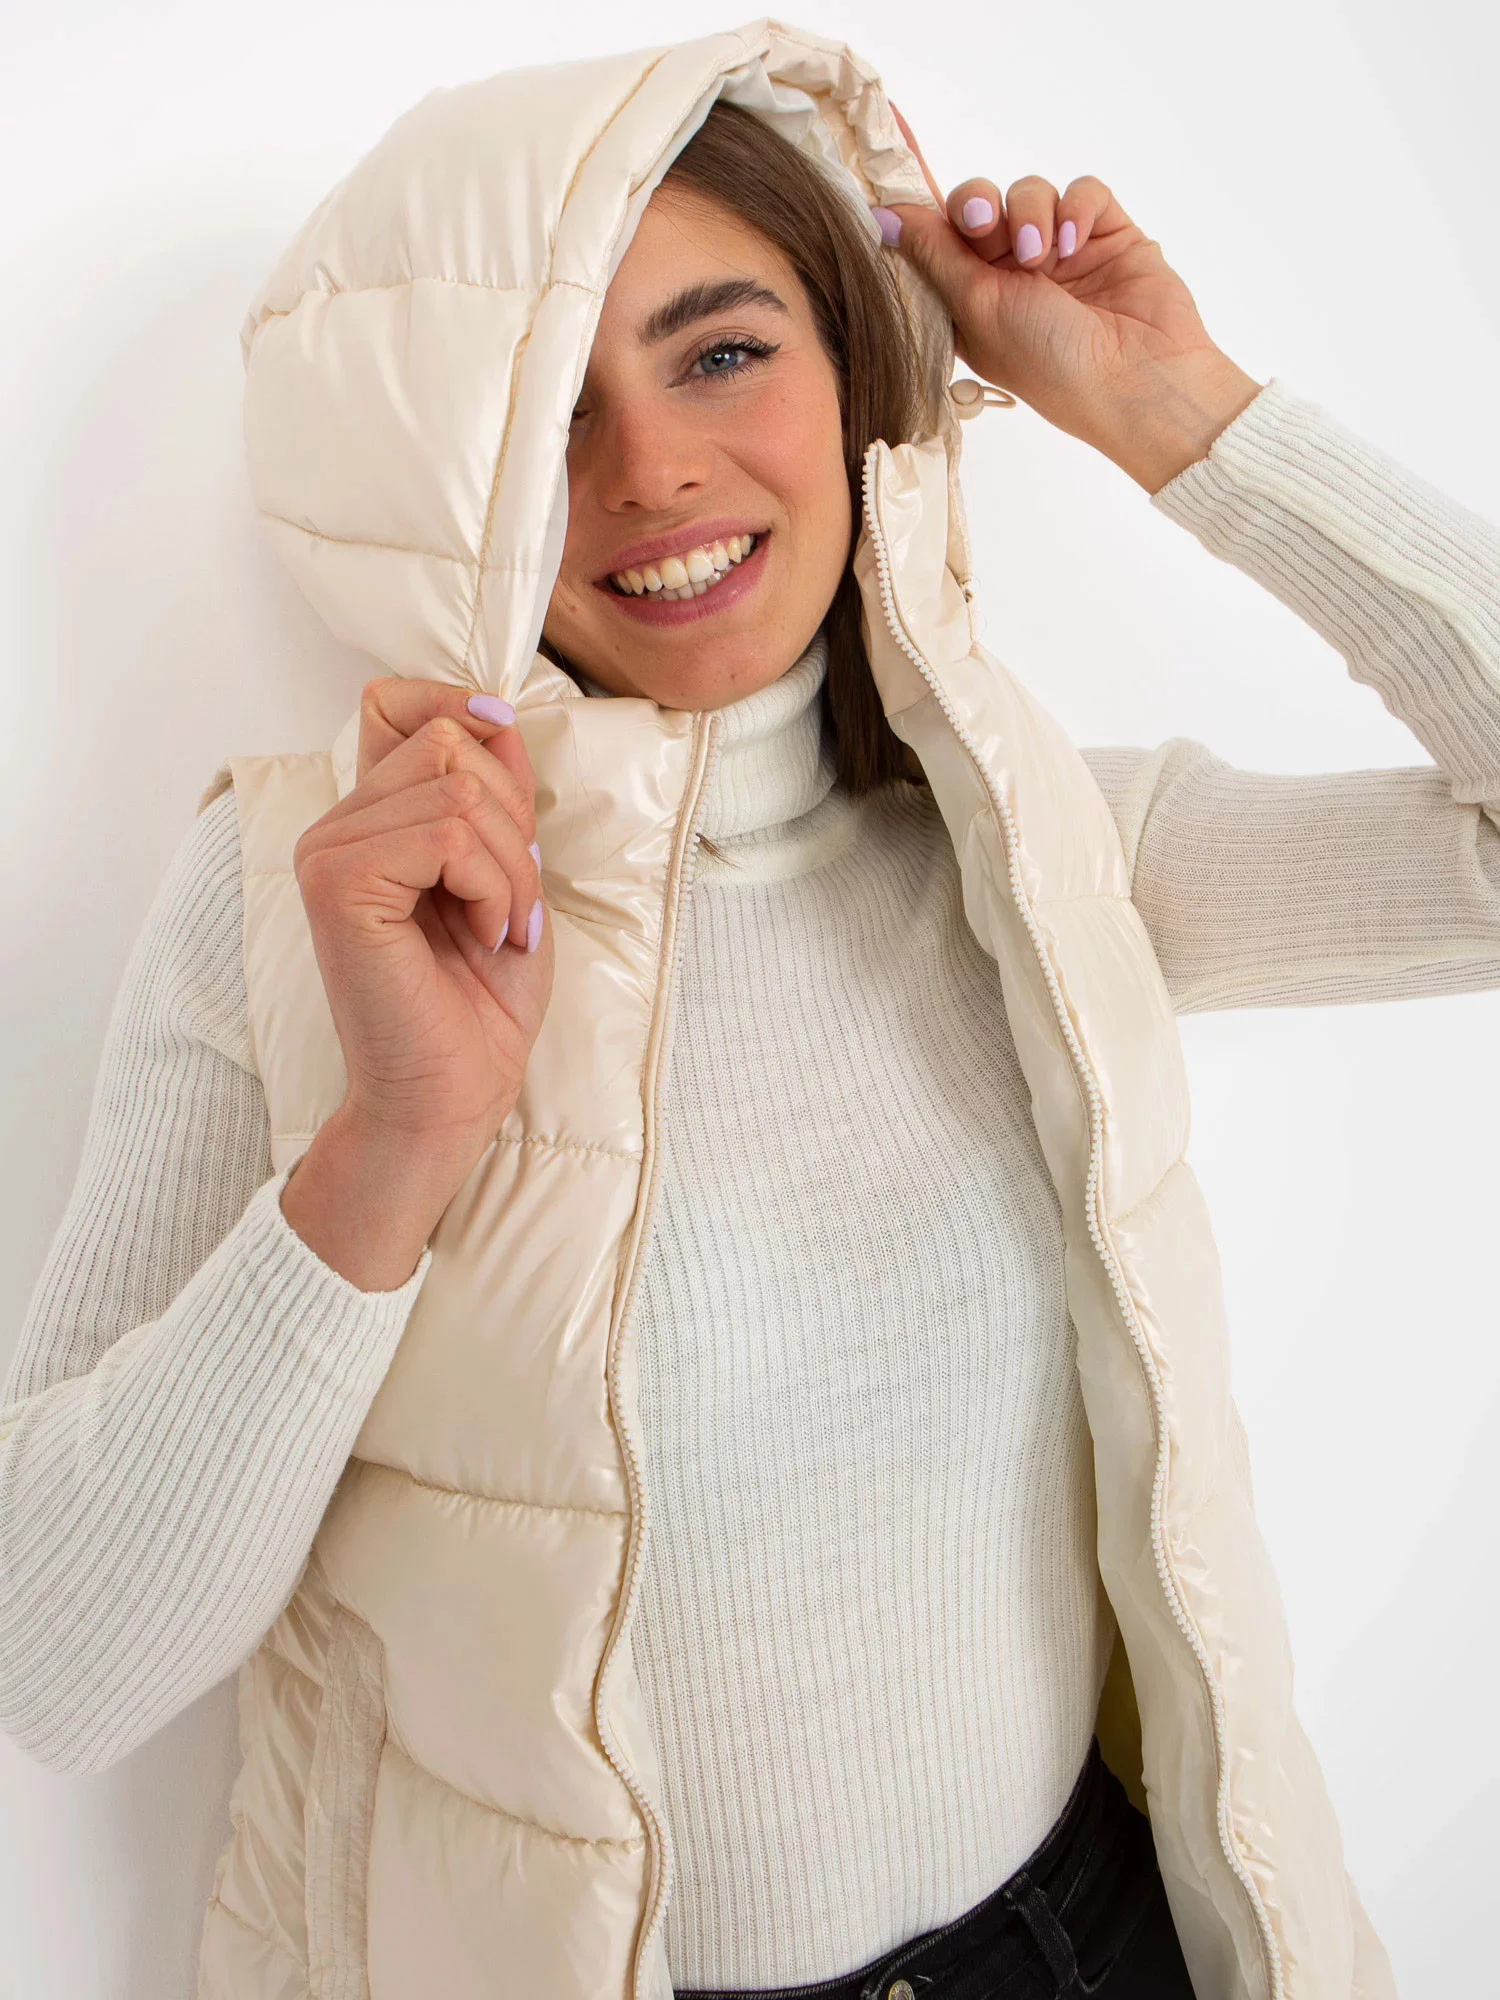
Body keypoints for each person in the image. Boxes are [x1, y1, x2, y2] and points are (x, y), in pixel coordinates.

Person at [2, 21, 1496, 2000]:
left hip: (1090, 1943)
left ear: (852, 365)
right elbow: (59, 1661)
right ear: (442, 487)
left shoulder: (1040, 847)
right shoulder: (303, 910)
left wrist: (1178, 414)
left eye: (720, 352)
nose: (651, 473)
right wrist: (397, 1143)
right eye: (546, 412)